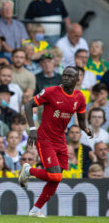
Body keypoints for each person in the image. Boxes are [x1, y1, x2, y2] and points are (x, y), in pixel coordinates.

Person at [19, 66, 92, 217]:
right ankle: (27, 170)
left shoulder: (79, 97)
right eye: (64, 75)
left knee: (56, 179)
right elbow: (28, 104)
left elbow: (82, 119)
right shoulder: (51, 92)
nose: (65, 78)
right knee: (55, 176)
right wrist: (32, 128)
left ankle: (35, 210)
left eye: (70, 76)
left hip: (61, 140)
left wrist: (86, 129)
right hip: (45, 138)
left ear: (77, 80)